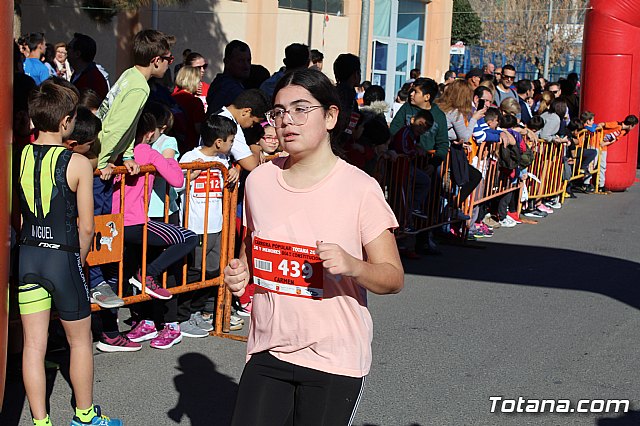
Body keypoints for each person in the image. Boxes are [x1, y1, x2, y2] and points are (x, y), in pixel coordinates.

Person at [223, 68, 403, 425]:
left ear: (331, 116)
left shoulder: (359, 188)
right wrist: (241, 274)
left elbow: (392, 277)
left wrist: (353, 265)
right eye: (279, 112)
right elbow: (253, 245)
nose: (287, 121)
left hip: (334, 356)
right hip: (269, 347)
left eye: (301, 109)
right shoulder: (259, 180)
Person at [17, 79, 122, 426]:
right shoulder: (78, 163)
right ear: (66, 123)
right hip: (63, 258)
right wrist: (80, 258)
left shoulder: (19, 156)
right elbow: (88, 226)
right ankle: (85, 416)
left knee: (34, 345)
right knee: (80, 343)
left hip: (28, 256)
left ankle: (40, 421)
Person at [91, 28, 175, 351]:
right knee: (99, 227)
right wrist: (105, 160)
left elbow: (113, 119)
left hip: (108, 156)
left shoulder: (128, 76)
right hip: (101, 163)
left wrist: (126, 156)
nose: (169, 64)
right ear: (156, 60)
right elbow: (116, 126)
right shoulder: (140, 87)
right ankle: (97, 282)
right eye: (167, 59)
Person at [113, 102, 199, 350]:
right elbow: (177, 178)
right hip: (138, 222)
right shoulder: (146, 152)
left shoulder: (115, 152)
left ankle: (145, 320)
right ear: (150, 133)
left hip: (114, 225)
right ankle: (148, 275)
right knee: (188, 238)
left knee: (124, 272)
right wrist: (164, 161)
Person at [177, 114, 241, 336]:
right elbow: (176, 186)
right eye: (231, 141)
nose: (233, 145)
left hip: (217, 224)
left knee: (212, 270)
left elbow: (231, 184)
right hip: (196, 225)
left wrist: (235, 171)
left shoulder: (224, 161)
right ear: (219, 142)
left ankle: (197, 311)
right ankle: (183, 316)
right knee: (194, 271)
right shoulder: (190, 156)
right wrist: (191, 174)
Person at [207, 40, 252, 112]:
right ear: (227, 62)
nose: (246, 66)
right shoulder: (227, 88)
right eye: (240, 61)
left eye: (248, 60)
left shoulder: (233, 85)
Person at [172, 65, 206, 151]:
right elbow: (199, 128)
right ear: (192, 81)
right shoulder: (195, 102)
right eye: (199, 81)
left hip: (172, 144)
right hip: (189, 146)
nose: (201, 84)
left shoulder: (171, 98)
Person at [68, 33, 109, 102]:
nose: (66, 51)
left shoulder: (95, 80)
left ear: (77, 54)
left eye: (68, 48)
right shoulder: (77, 74)